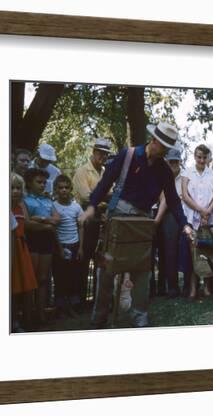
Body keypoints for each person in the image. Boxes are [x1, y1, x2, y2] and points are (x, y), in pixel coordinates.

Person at [79, 121, 194, 329]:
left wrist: (185, 224)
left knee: (143, 269)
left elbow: (174, 201)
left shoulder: (164, 170)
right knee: (106, 267)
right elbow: (105, 182)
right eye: (164, 146)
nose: (165, 151)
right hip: (118, 214)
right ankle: (99, 315)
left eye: (169, 148)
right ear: (154, 140)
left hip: (142, 219)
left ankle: (139, 315)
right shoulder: (128, 155)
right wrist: (92, 206)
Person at [72, 137, 113, 306]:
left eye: (106, 154)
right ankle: (79, 300)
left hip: (102, 217)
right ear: (93, 152)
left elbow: (110, 193)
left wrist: (100, 197)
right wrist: (103, 197)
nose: (103, 157)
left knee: (100, 260)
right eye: (100, 153)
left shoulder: (105, 172)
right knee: (84, 259)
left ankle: (97, 299)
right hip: (88, 218)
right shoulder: (83, 171)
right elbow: (85, 197)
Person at [181, 144, 213, 298]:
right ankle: (193, 288)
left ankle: (207, 287)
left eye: (204, 157)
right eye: (199, 157)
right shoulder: (187, 173)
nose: (201, 160)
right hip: (193, 218)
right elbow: (185, 195)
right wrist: (201, 210)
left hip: (210, 218)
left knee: (209, 252)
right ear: (194, 156)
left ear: (208, 158)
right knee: (193, 254)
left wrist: (208, 211)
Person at [23, 168, 60, 323]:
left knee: (43, 279)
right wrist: (48, 224)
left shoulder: (48, 201)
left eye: (44, 182)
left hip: (47, 241)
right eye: (39, 182)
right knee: (30, 280)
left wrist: (40, 220)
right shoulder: (24, 200)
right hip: (32, 241)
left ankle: (41, 313)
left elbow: (57, 219)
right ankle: (28, 315)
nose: (42, 185)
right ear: (30, 183)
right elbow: (27, 223)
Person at [152, 147, 184, 298]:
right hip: (155, 212)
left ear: (180, 162)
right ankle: (156, 287)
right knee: (155, 251)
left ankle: (172, 287)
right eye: (170, 162)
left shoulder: (184, 178)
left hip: (172, 214)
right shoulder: (159, 174)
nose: (173, 165)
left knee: (170, 250)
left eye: (175, 162)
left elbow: (167, 199)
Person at [52, 175, 84, 318]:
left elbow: (81, 227)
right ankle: (60, 307)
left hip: (74, 245)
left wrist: (81, 248)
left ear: (71, 189)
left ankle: (73, 306)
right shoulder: (53, 206)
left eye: (66, 187)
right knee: (60, 277)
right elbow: (53, 229)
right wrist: (59, 248)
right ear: (56, 189)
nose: (63, 190)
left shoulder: (76, 207)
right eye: (60, 188)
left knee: (74, 276)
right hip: (60, 245)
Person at [10, 173, 37, 332]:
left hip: (22, 248)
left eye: (18, 188)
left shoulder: (21, 207)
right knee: (12, 288)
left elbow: (26, 224)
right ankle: (13, 321)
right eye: (11, 188)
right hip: (12, 248)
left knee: (26, 287)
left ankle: (27, 320)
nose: (15, 191)